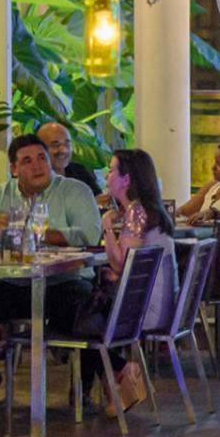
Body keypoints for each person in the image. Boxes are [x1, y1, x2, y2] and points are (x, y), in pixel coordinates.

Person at [0, 133, 103, 335]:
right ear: (14, 169)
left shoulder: (75, 191)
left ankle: (108, 364)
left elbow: (89, 235)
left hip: (64, 283)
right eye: (27, 161)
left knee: (82, 311)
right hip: (11, 284)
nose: (38, 166)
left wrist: (37, 234)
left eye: (42, 158)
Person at [74, 148, 179, 413]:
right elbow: (122, 265)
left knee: (81, 323)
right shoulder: (145, 211)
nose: (106, 176)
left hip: (145, 312)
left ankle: (122, 377)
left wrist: (107, 226)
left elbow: (120, 263)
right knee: (84, 318)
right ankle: (116, 384)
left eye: (111, 170)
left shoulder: (136, 213)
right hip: (158, 306)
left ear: (127, 179)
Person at [37, 122, 102, 194]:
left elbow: (97, 198)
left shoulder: (79, 171)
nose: (63, 150)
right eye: (55, 145)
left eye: (67, 144)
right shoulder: (33, 178)